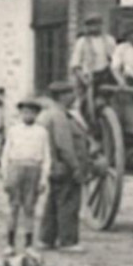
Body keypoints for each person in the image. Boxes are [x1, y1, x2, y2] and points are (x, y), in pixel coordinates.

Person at [38, 88, 88, 253]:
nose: (74, 96)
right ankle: (68, 241)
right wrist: (75, 167)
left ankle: (46, 239)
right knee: (68, 203)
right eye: (70, 93)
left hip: (54, 166)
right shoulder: (59, 117)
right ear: (62, 96)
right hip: (64, 166)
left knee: (53, 202)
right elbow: (64, 145)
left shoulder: (48, 114)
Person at [2, 98, 52, 252]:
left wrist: (43, 179)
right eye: (24, 112)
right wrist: (6, 176)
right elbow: (6, 155)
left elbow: (46, 157)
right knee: (13, 207)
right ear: (20, 113)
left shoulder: (42, 132)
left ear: (36, 114)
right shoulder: (14, 131)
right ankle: (10, 244)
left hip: (33, 169)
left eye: (31, 112)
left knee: (29, 208)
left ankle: (29, 244)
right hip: (16, 168)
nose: (28, 115)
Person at [70, 15, 117, 111]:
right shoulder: (82, 42)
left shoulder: (109, 40)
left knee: (110, 100)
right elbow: (75, 64)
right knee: (85, 104)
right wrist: (83, 79)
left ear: (101, 25)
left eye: (97, 24)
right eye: (91, 25)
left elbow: (115, 60)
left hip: (106, 75)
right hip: (89, 76)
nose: (94, 28)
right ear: (87, 27)